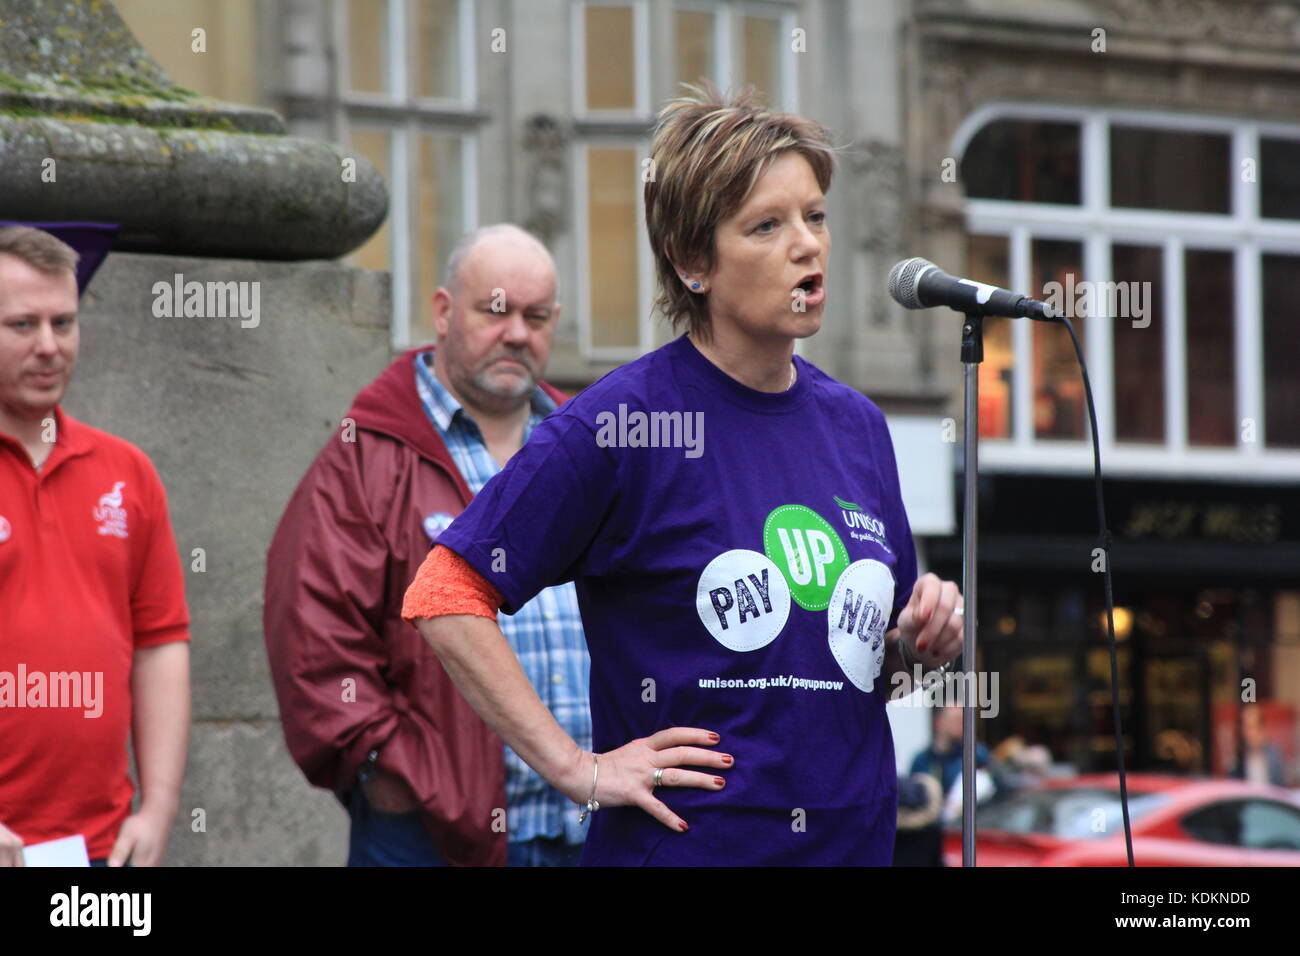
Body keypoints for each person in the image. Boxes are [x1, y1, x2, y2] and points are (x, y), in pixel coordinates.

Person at [400, 85, 965, 866]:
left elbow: (870, 676)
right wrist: (579, 768)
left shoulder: (859, 428)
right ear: (692, 261)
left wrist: (916, 646)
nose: (807, 245)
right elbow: (444, 594)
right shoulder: (623, 421)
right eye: (767, 225)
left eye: (815, 216)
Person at [264, 224, 591, 867]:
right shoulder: (369, 453)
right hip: (431, 835)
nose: (518, 334)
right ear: (443, 312)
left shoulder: (585, 445)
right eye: (496, 311)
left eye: (537, 316)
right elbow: (314, 634)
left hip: (594, 828)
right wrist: (394, 771)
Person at [0, 224, 191, 867]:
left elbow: (161, 643)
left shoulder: (127, 471)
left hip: (100, 852)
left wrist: (160, 807)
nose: (49, 346)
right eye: (22, 325)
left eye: (64, 322)